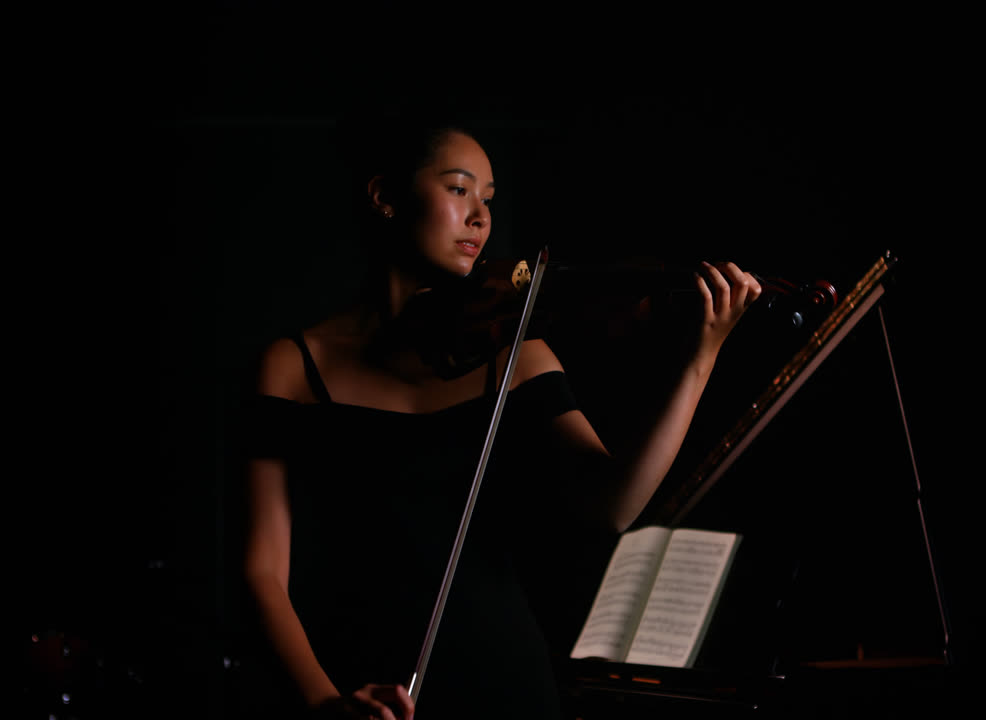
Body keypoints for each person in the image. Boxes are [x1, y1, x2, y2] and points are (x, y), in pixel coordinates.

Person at [240, 113, 761, 719]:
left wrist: (700, 360)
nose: (480, 217)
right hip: (357, 687)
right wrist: (325, 702)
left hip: (507, 686)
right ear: (385, 196)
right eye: (459, 189)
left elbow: (614, 505)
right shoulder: (292, 367)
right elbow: (261, 570)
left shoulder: (514, 354)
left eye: (487, 199)